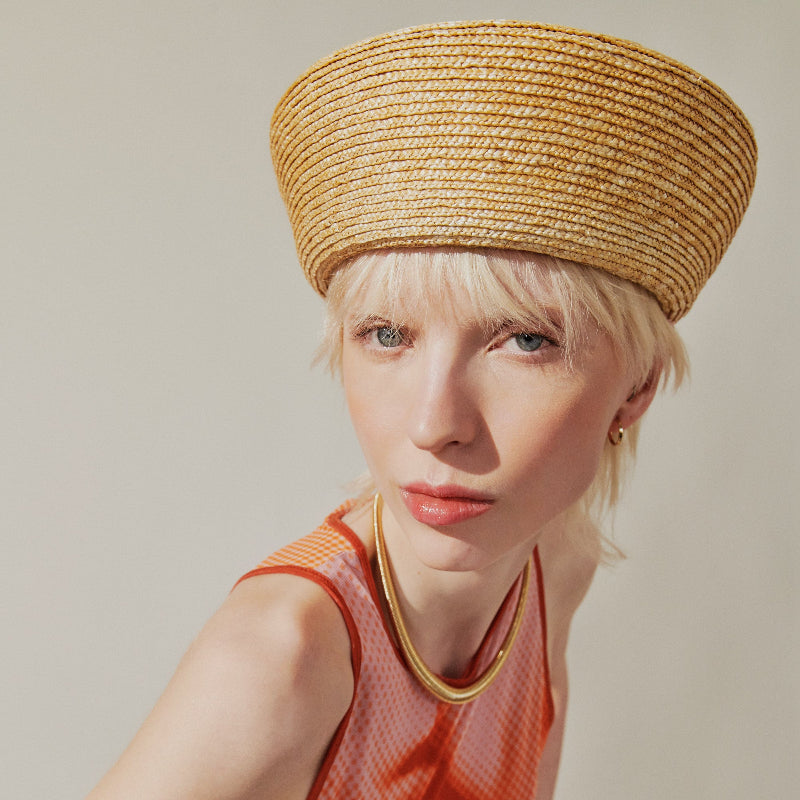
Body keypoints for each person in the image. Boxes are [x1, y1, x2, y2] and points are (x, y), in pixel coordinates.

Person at [86, 20, 756, 800]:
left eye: (527, 342)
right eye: (387, 334)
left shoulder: (553, 566)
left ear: (636, 389)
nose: (435, 423)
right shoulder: (277, 658)